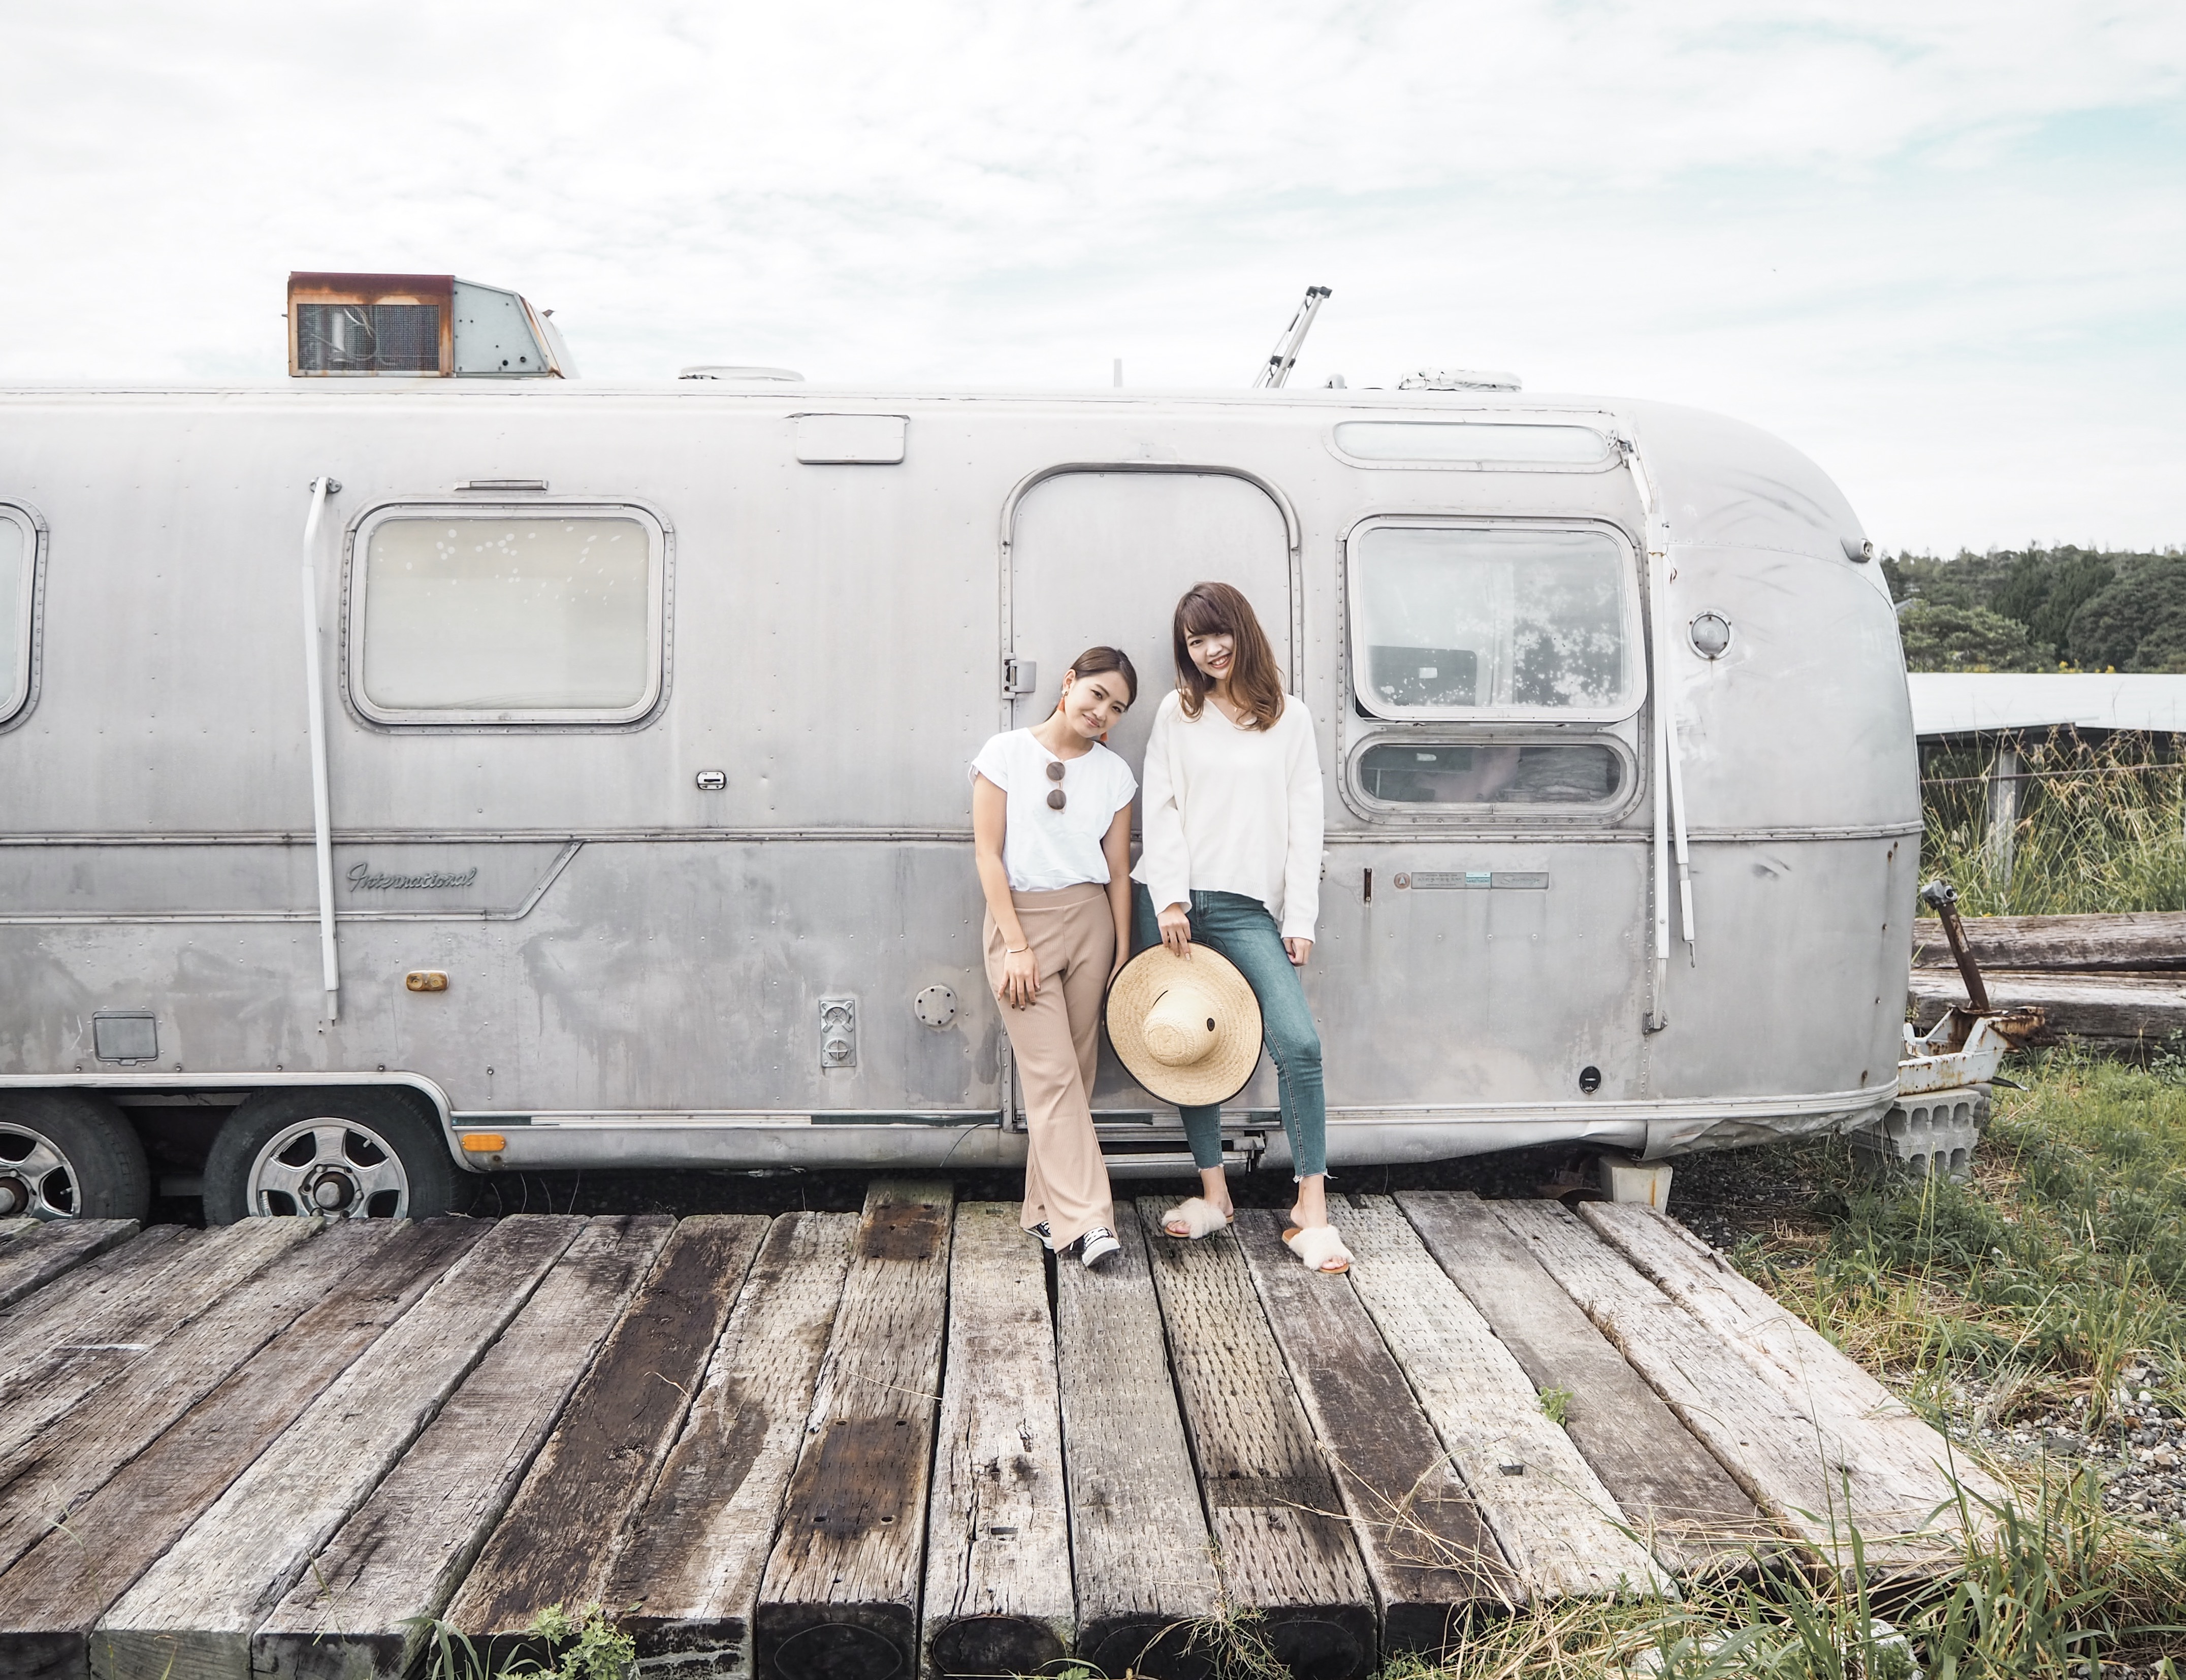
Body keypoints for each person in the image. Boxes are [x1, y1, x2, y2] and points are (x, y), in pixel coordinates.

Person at [1133, 583, 1349, 1272]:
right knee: (1191, 1052)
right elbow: (1160, 808)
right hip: (1175, 909)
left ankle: (1310, 1209)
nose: (1210, 650)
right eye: (1196, 641)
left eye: (1218, 634)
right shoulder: (1178, 712)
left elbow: (1305, 823)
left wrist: (1301, 916)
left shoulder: (1288, 718)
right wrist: (1168, 898)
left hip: (1246, 908)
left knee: (1298, 1044)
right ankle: (1215, 1196)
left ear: (1244, 632)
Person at [971, 647, 1139, 1268]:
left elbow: (1119, 871)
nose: (1103, 712)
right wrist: (1016, 944)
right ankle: (1092, 1220)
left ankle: (1045, 1212)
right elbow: (988, 855)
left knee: (1077, 1073)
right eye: (1096, 694)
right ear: (1069, 684)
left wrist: (1121, 949)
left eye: (1117, 707)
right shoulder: (1005, 753)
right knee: (1050, 1075)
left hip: (1090, 921)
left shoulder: (1115, 774)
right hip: (1023, 924)